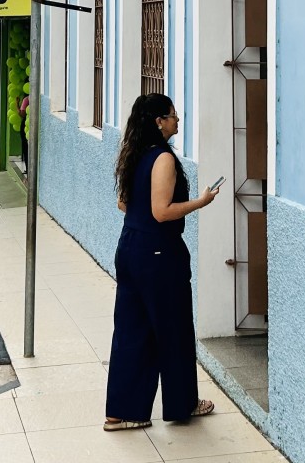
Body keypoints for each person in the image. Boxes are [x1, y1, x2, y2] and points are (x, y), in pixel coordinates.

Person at [103, 93, 218, 431]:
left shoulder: (134, 153)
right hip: (159, 253)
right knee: (174, 330)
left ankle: (120, 412)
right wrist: (201, 201)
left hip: (130, 247)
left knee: (130, 331)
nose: (177, 119)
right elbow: (162, 211)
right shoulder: (163, 159)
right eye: (172, 115)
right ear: (159, 122)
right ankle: (184, 403)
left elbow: (124, 204)